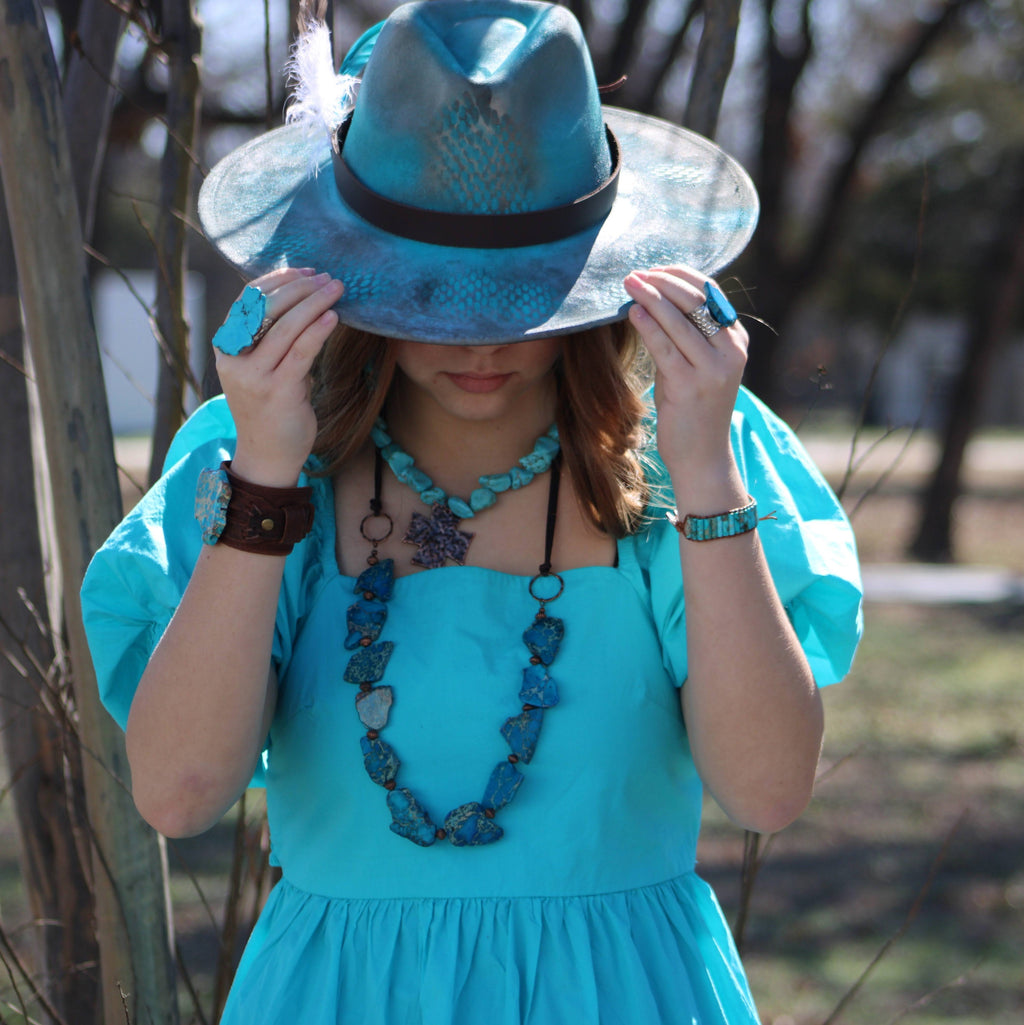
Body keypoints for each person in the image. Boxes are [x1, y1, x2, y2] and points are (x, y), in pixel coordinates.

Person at [81, 2, 863, 1022]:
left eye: (522, 285)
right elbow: (178, 793)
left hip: (624, 994)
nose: (476, 333)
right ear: (347, 261)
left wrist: (707, 471)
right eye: (426, 285)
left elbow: (766, 791)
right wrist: (267, 482)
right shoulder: (255, 458)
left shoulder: (692, 447)